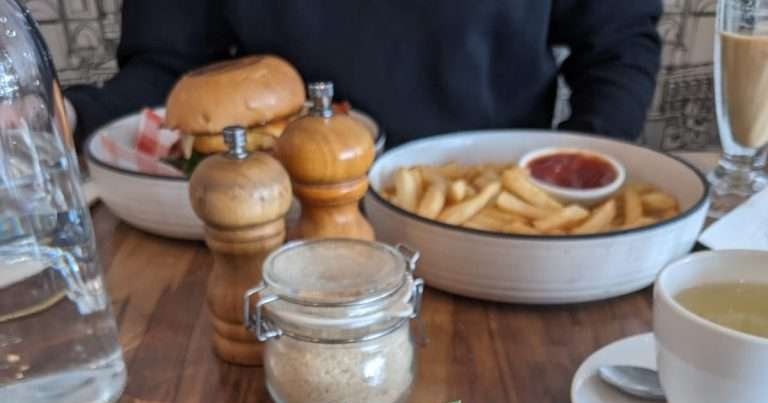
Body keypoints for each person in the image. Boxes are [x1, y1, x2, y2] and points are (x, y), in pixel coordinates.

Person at [65, 0, 662, 149]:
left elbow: (615, 41)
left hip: (494, 216)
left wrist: (587, 169)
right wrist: (66, 118)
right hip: (276, 230)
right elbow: (170, 75)